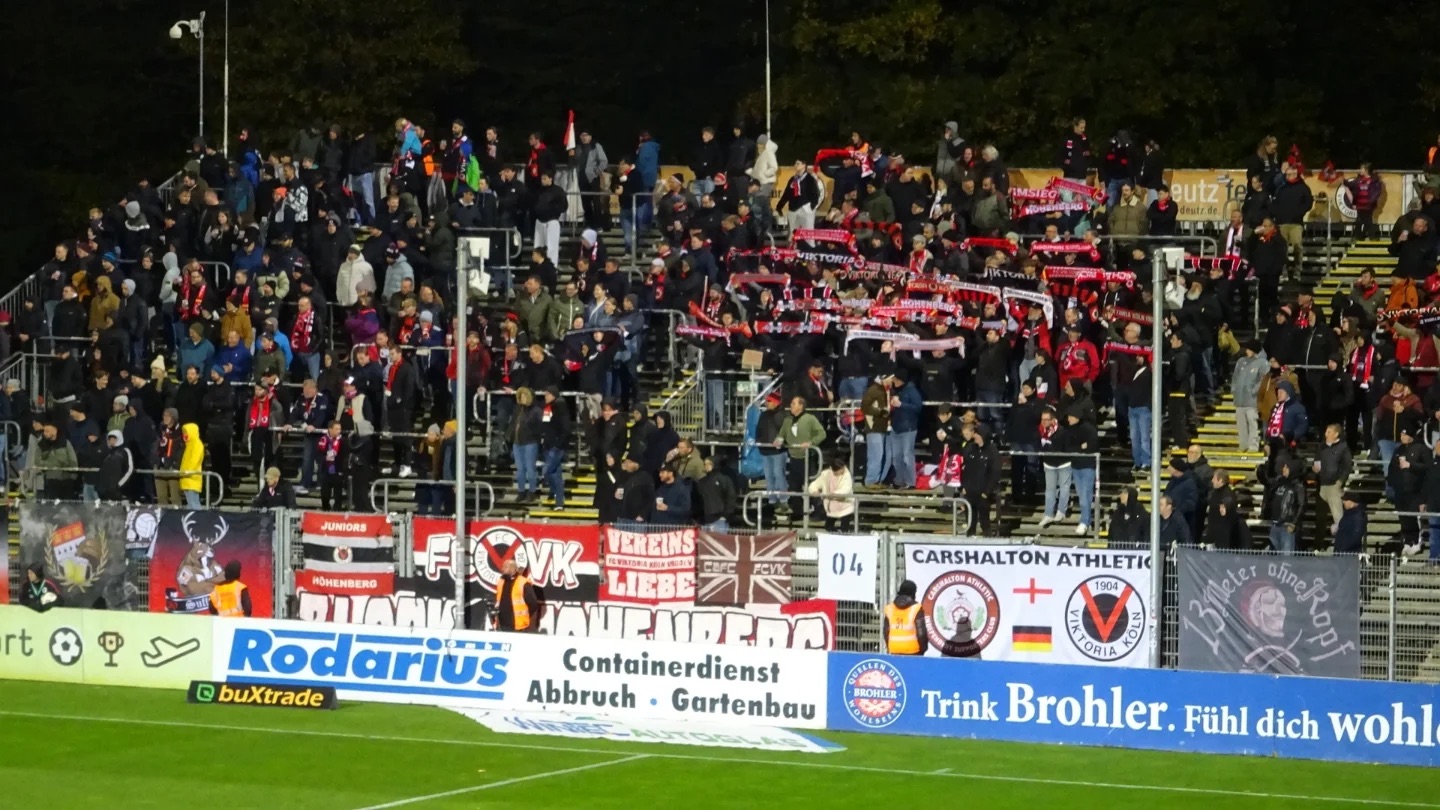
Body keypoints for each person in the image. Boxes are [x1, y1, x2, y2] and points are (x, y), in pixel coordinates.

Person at [779, 396, 826, 516]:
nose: (791, 405)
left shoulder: (810, 418)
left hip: (807, 458)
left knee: (812, 486)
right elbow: (781, 434)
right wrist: (778, 440)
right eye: (791, 403)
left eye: (794, 403)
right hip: (794, 458)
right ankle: (797, 511)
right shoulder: (787, 420)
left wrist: (810, 443)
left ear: (801, 406)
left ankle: (819, 510)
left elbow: (822, 434)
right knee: (794, 486)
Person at [1267, 456, 1306, 554]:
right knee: (1274, 557)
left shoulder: (1299, 487)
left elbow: (1302, 505)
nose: (1283, 469)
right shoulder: (1281, 482)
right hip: (1276, 525)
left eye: (1286, 467)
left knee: (1286, 559)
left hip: (1287, 527)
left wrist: (1293, 524)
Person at [808, 456, 855, 531]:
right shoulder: (826, 474)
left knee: (845, 529)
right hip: (832, 506)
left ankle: (842, 537)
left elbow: (846, 489)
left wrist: (834, 494)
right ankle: (836, 536)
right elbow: (816, 484)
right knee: (828, 527)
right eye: (841, 469)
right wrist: (814, 490)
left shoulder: (847, 475)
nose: (843, 470)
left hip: (845, 505)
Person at [882, 580, 928, 655]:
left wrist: (889, 646)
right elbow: (921, 634)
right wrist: (923, 649)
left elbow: (886, 631)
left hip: (894, 649)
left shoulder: (889, 608)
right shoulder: (916, 608)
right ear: (913, 593)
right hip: (913, 650)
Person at [492, 559, 539, 632]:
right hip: (501, 622)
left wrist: (526, 615)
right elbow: (498, 598)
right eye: (505, 566)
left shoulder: (523, 582)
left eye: (508, 567)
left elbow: (533, 603)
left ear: (514, 569)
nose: (505, 568)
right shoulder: (501, 581)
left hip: (518, 624)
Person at [178, 422, 206, 508]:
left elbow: (194, 461)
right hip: (186, 479)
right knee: (190, 505)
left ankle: (199, 520)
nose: (184, 435)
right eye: (183, 433)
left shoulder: (197, 444)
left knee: (194, 505)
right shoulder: (188, 445)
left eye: (186, 432)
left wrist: (186, 472)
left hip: (192, 479)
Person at [1334, 491, 1367, 555]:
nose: (1343, 502)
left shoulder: (1357, 516)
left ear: (1352, 501)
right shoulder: (1349, 513)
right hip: (1342, 552)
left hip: (1348, 554)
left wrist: (1343, 548)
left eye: (1346, 500)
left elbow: (1356, 535)